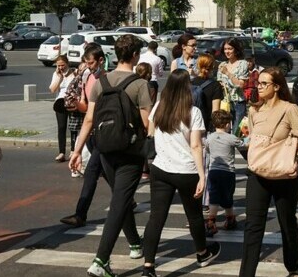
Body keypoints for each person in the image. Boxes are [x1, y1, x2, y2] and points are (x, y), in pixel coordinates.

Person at [69, 34, 153, 277]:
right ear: (136, 56)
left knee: (121, 198)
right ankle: (101, 260)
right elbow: (147, 125)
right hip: (130, 152)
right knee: (119, 202)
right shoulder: (140, 85)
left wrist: (76, 150)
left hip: (104, 149)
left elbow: (89, 119)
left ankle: (135, 243)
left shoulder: (101, 83)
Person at [140, 69, 221, 277]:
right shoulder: (192, 112)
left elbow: (150, 131)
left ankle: (148, 266)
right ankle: (202, 253)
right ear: (186, 88)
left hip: (160, 168)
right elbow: (195, 146)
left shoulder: (159, 106)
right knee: (194, 215)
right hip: (186, 170)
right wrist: (202, 176)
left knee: (156, 217)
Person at [239, 67, 298, 277]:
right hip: (258, 173)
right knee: (253, 226)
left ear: (277, 86)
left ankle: (293, 267)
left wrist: (297, 158)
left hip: (285, 174)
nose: (259, 87)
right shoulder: (254, 110)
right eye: (259, 83)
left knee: (286, 221)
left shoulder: (289, 109)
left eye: (264, 83)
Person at [60, 45, 108, 228]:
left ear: (101, 60)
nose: (89, 66)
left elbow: (93, 112)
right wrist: (77, 105)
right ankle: (127, 202)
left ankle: (80, 214)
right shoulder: (88, 76)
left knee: (91, 173)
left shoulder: (104, 80)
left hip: (100, 131)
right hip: (91, 131)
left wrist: (76, 150)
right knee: (102, 171)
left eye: (92, 63)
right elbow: (85, 102)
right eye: (86, 63)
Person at [204, 110, 244, 236]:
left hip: (213, 171)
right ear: (227, 124)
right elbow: (243, 144)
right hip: (228, 172)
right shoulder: (231, 138)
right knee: (227, 196)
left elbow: (207, 149)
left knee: (214, 197)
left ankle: (211, 221)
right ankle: (230, 219)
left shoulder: (209, 138)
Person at [217, 37, 249, 131]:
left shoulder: (242, 64)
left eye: (230, 49)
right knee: (224, 130)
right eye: (225, 49)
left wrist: (228, 73)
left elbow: (240, 84)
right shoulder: (222, 65)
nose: (227, 51)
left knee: (237, 131)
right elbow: (219, 82)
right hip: (225, 103)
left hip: (238, 103)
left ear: (236, 49)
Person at [50, 55, 76, 163]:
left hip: (72, 102)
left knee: (73, 127)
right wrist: (60, 77)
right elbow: (52, 89)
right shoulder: (56, 74)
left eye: (62, 65)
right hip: (60, 102)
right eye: (58, 65)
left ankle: (73, 150)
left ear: (67, 64)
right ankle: (61, 152)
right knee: (61, 127)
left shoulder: (74, 73)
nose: (61, 67)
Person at [193, 53, 224, 131]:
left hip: (191, 122)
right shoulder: (215, 85)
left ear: (198, 65)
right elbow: (215, 111)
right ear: (212, 67)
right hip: (206, 124)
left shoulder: (190, 82)